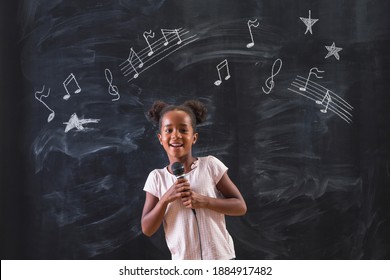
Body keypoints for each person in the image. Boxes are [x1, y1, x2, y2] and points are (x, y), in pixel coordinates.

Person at [141, 100, 247, 260]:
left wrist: (204, 201)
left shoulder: (210, 165)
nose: (175, 135)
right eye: (168, 130)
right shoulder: (157, 178)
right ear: (160, 138)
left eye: (183, 130)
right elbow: (147, 228)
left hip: (220, 259)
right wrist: (165, 200)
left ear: (194, 137)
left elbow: (240, 207)